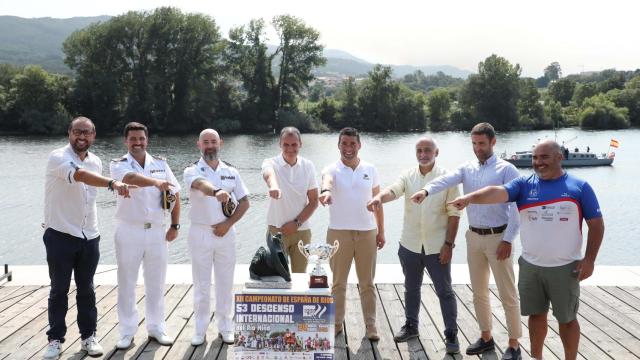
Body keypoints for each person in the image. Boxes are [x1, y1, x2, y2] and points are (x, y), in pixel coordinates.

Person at [447, 140, 604, 360]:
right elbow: (495, 192)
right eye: (535, 157)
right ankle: (536, 357)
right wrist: (469, 198)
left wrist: (589, 260)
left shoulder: (580, 187)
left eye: (544, 157)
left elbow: (596, 224)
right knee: (535, 316)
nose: (538, 162)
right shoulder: (523, 185)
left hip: (565, 267)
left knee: (567, 320)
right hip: (531, 266)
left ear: (559, 158)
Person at [410, 123, 522, 359]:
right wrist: (427, 190)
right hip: (473, 237)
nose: (477, 148)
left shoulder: (508, 170)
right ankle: (486, 338)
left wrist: (508, 240)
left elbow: (516, 210)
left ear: (493, 142)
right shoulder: (466, 168)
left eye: (481, 143)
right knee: (479, 292)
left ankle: (513, 345)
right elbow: (446, 179)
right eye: (474, 143)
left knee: (507, 293)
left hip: (499, 238)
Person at [42, 117, 133, 359]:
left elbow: (88, 194)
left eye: (87, 133)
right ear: (69, 133)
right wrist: (113, 183)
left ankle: (88, 337)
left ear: (93, 135)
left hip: (89, 235)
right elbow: (80, 176)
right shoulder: (57, 157)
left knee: (87, 290)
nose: (81, 137)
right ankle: (55, 340)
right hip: (60, 233)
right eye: (77, 132)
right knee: (58, 289)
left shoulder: (97, 161)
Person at [367, 137, 461, 353]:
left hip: (438, 247)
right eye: (419, 150)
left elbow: (455, 214)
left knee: (445, 292)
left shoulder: (448, 178)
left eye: (428, 150)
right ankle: (412, 326)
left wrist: (449, 244)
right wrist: (379, 198)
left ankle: (451, 334)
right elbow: (394, 190)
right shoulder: (407, 175)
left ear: (437, 152)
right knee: (411, 288)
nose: (423, 154)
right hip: (409, 245)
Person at [110, 122, 181, 349]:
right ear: (126, 141)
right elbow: (130, 179)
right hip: (128, 229)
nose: (137, 142)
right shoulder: (118, 164)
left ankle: (156, 327)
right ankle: (127, 331)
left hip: (157, 231)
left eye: (141, 138)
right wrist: (155, 182)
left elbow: (175, 193)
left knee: (156, 283)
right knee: (127, 282)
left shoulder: (161, 163)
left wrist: (175, 225)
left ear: (147, 140)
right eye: (133, 139)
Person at [183, 128, 250, 346]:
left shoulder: (232, 171)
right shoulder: (191, 170)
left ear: (220, 143)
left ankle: (225, 327)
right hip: (200, 231)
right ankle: (200, 330)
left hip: (226, 233)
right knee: (202, 284)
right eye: (205, 142)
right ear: (198, 144)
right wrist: (216, 192)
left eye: (213, 141)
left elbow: (245, 202)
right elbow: (200, 185)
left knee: (225, 282)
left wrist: (227, 224)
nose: (210, 145)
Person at [319, 127, 385, 341]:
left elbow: (378, 202)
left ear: (359, 145)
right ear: (338, 145)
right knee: (338, 282)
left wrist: (381, 231)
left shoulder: (371, 169)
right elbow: (326, 183)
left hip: (367, 233)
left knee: (367, 283)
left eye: (352, 144)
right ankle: (336, 323)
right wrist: (326, 192)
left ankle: (371, 326)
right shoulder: (331, 169)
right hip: (339, 233)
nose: (348, 148)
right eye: (344, 144)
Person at [262, 127, 319, 273]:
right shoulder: (270, 162)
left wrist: (296, 223)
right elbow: (269, 175)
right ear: (279, 144)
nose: (290, 148)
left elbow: (313, 201)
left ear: (300, 144)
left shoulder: (308, 166)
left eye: (294, 144)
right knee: (278, 277)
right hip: (277, 230)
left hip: (302, 230)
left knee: (300, 276)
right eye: (286, 144)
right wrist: (274, 186)